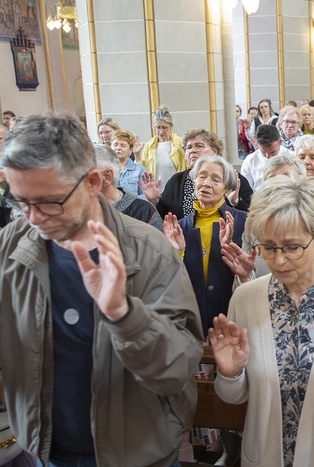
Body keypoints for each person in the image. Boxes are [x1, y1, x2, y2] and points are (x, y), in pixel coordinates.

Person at [0, 112, 202, 466]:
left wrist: (124, 314)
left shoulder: (149, 252)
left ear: (93, 182)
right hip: (46, 450)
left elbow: (177, 369)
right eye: (21, 201)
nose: (33, 218)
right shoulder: (10, 246)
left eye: (49, 202)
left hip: (136, 452)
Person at [209, 175, 314, 466]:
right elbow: (234, 396)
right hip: (263, 456)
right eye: (269, 247)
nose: (278, 260)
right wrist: (230, 374)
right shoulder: (246, 299)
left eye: (291, 247)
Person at [162, 155, 246, 335]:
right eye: (202, 176)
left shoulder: (243, 222)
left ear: (227, 189)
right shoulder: (181, 227)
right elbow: (169, 283)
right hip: (192, 320)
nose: (206, 183)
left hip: (233, 316)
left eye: (216, 180)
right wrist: (177, 253)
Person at [145, 128, 253, 220]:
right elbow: (163, 217)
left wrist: (235, 202)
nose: (193, 150)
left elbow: (252, 214)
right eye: (189, 147)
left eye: (199, 146)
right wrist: (154, 201)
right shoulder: (176, 181)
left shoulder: (233, 178)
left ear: (214, 151)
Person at [94, 144, 163, 230]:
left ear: (107, 177)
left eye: (83, 174)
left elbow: (157, 242)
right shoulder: (79, 211)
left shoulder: (143, 210)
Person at [141, 105, 189, 189]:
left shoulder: (180, 144)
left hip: (175, 189)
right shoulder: (149, 146)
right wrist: (137, 155)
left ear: (170, 127)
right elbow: (143, 169)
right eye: (158, 128)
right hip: (156, 191)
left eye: (164, 128)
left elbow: (186, 166)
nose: (161, 131)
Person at [239, 124, 290, 191]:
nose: (268, 156)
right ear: (257, 143)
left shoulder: (291, 158)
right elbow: (247, 189)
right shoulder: (250, 161)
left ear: (280, 142)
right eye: (263, 152)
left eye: (272, 152)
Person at [110, 129, 146, 195]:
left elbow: (145, 195)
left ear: (130, 150)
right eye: (115, 145)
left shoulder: (139, 170)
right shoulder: (105, 169)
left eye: (122, 145)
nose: (118, 148)